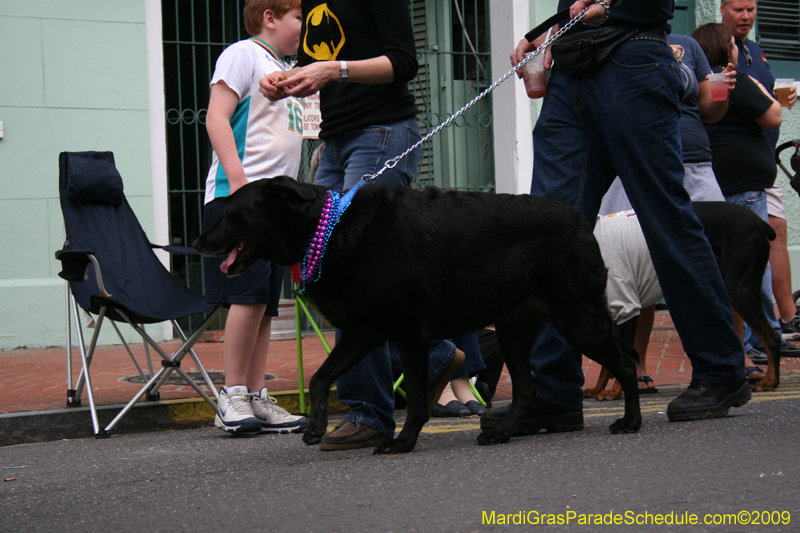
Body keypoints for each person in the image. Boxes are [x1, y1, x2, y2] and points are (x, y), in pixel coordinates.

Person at [482, 0, 750, 433]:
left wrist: (610, 6)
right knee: (547, 235)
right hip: (570, 72)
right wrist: (546, 32)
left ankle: (721, 370)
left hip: (633, 63)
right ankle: (552, 392)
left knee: (667, 223)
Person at [259, 0, 463, 451]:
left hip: (381, 132)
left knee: (358, 274)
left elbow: (403, 62)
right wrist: (290, 80)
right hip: (334, 141)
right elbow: (323, 65)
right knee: (333, 273)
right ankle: (432, 355)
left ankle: (368, 413)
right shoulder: (314, 5)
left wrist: (332, 71)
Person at [202, 0, 308, 435]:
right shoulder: (242, 54)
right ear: (270, 17)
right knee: (246, 299)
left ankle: (256, 396)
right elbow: (216, 118)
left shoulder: (285, 69)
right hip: (239, 200)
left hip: (271, 212)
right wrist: (241, 187)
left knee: (265, 306)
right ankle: (231, 396)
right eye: (298, 17)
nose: (303, 26)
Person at [693, 23, 790, 366]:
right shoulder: (736, 80)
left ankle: (744, 345)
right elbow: (774, 116)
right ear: (725, 49)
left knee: (728, 273)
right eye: (733, 44)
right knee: (748, 273)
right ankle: (761, 340)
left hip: (719, 183)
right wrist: (763, 90)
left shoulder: (701, 85)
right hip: (745, 189)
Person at [720, 0, 800, 346]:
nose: (746, 16)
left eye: (751, 9)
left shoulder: (754, 50)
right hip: (738, 167)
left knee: (777, 230)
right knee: (753, 245)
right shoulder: (716, 47)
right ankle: (762, 334)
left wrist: (786, 96)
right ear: (723, 9)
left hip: (763, 159)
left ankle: (786, 319)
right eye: (738, 9)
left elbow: (764, 98)